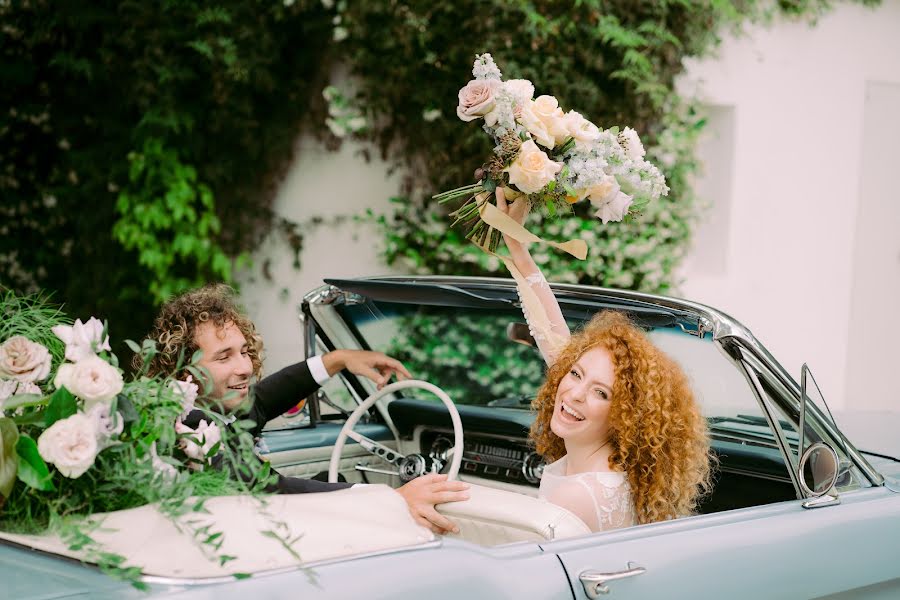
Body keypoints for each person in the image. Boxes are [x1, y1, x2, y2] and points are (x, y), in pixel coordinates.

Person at [136, 283, 468, 534]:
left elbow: (264, 399)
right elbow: (272, 489)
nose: (245, 368)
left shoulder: (207, 405)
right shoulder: (188, 429)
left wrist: (338, 359)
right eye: (224, 357)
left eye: (243, 351)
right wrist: (390, 499)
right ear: (184, 372)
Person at [496, 187, 713, 532]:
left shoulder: (578, 495)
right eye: (576, 375)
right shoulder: (610, 476)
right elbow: (549, 331)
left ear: (624, 417)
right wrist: (515, 244)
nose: (576, 394)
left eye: (602, 393)